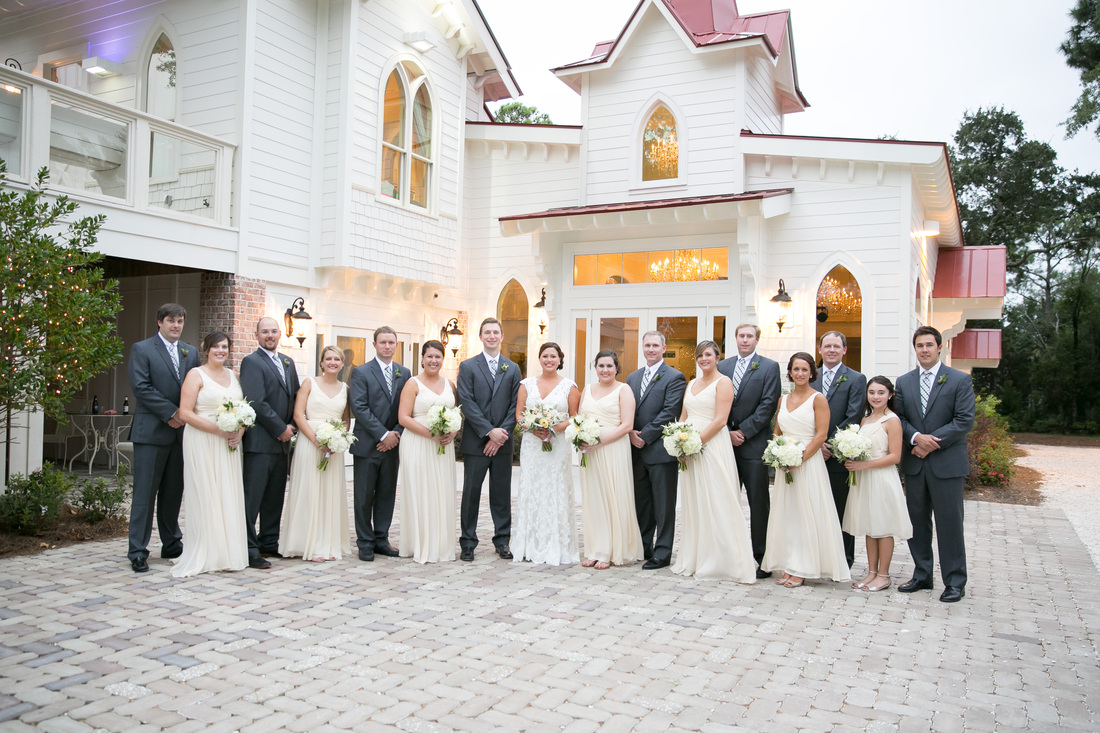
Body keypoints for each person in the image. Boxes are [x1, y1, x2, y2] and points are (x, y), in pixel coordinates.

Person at [895, 326, 975, 603]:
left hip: (947, 464)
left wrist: (931, 442)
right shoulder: (904, 382)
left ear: (940, 348)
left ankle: (955, 581)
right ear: (914, 348)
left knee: (950, 524)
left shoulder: (958, 380)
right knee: (917, 523)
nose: (925, 350)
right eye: (919, 345)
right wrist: (916, 437)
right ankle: (922, 575)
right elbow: (900, 419)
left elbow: (964, 420)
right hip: (915, 463)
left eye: (929, 345)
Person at [761, 352, 850, 588]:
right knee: (787, 515)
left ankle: (803, 567)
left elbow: (821, 434)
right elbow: (777, 431)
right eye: (795, 369)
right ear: (789, 372)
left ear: (812, 372)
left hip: (807, 464)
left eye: (804, 369)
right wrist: (777, 452)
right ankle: (789, 564)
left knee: (805, 514)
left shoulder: (818, 398)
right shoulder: (783, 400)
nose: (799, 374)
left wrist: (800, 458)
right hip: (785, 465)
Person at [671, 342, 756, 583]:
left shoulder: (724, 382)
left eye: (708, 354)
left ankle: (726, 559)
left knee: (718, 499)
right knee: (696, 500)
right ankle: (697, 556)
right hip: (690, 446)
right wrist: (679, 442)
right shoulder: (692, 383)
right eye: (699, 355)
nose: (703, 359)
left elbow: (720, 420)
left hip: (711, 446)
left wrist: (695, 443)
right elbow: (683, 416)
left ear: (718, 358)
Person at [126, 303, 200, 573]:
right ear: (160, 322)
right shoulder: (142, 349)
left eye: (180, 321)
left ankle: (171, 543)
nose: (176, 325)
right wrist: (171, 413)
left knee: (172, 493)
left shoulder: (190, 352)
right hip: (152, 432)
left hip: (181, 435)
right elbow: (141, 387)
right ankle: (137, 550)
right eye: (171, 320)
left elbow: (196, 387)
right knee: (145, 494)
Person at [171, 332, 249, 578]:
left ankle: (227, 553)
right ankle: (207, 551)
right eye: (215, 346)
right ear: (206, 349)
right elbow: (185, 413)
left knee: (227, 493)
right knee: (206, 493)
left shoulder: (235, 376)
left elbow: (245, 411)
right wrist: (218, 430)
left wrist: (240, 433)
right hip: (203, 440)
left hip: (230, 444)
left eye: (224, 346)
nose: (220, 350)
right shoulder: (196, 375)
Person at [717, 324, 781, 578]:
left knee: (758, 503)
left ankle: (761, 556)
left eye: (749, 337)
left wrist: (743, 431)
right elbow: (715, 402)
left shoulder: (769, 367)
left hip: (753, 445)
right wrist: (726, 432)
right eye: (741, 336)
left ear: (757, 340)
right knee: (726, 500)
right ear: (735, 339)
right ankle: (729, 553)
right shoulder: (723, 367)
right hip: (724, 444)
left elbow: (768, 404)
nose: (745, 340)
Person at [279, 346, 352, 562]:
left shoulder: (345, 388)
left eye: (337, 359)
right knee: (309, 490)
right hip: (310, 443)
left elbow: (346, 419)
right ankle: (306, 543)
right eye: (328, 358)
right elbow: (298, 415)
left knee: (329, 493)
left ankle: (327, 543)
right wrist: (317, 441)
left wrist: (339, 439)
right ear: (321, 363)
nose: (332, 362)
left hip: (333, 447)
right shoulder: (309, 383)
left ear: (341, 363)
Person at [457, 318, 521, 561]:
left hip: (502, 443)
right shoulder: (468, 366)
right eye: (487, 332)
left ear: (502, 336)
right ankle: (468, 542)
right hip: (476, 442)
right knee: (471, 493)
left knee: (501, 494)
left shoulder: (512, 368)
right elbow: (466, 402)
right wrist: (488, 432)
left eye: (496, 332)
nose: (492, 336)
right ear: (481, 336)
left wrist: (500, 435)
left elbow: (516, 404)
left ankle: (502, 540)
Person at [240, 317, 301, 570]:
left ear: (280, 335)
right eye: (265, 332)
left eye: (274, 331)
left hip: (282, 444)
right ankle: (249, 548)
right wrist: (280, 428)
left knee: (275, 496)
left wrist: (292, 426)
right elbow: (256, 401)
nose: (270, 335)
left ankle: (268, 542)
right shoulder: (251, 362)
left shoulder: (288, 362)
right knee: (252, 498)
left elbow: (296, 396)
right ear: (256, 335)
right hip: (260, 442)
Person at [512, 342, 581, 565]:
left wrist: (555, 429)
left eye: (553, 356)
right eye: (545, 356)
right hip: (532, 445)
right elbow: (519, 416)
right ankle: (529, 544)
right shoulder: (526, 384)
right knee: (532, 488)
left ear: (560, 360)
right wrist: (533, 428)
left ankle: (556, 545)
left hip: (557, 445)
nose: (549, 360)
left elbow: (574, 416)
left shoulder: (569, 386)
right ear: (539, 359)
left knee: (555, 489)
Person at [843, 376, 913, 592]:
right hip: (865, 479)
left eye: (881, 392)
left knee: (883, 527)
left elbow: (895, 456)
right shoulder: (865, 420)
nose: (875, 396)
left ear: (890, 395)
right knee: (870, 527)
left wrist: (864, 466)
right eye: (872, 392)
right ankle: (871, 572)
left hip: (881, 478)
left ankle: (884, 575)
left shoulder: (892, 420)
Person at [577, 350, 643, 570]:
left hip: (613, 448)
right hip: (589, 451)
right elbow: (579, 420)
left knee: (612, 496)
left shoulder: (624, 390)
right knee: (593, 498)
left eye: (609, 366)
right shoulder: (586, 389)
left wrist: (600, 441)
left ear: (617, 368)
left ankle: (610, 550)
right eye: (601, 366)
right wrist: (581, 439)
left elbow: (627, 425)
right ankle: (594, 549)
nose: (605, 370)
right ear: (595, 367)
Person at [348, 327, 410, 561]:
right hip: (367, 445)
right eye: (383, 342)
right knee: (364, 496)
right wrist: (383, 435)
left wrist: (395, 434)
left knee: (386, 493)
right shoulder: (361, 372)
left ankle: (381, 539)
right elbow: (359, 407)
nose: (387, 346)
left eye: (391, 342)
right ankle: (364, 542)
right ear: (374, 345)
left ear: (396, 345)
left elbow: (407, 409)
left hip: (393, 445)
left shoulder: (404, 373)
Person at [626, 331, 686, 570]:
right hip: (635, 449)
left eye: (655, 345)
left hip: (660, 451)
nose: (650, 349)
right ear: (642, 348)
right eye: (647, 345)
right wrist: (630, 433)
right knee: (642, 503)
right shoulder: (633, 377)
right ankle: (644, 546)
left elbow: (670, 411)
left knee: (663, 505)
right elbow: (628, 408)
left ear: (663, 348)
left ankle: (662, 552)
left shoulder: (674, 377)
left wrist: (646, 436)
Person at [809, 331, 867, 569]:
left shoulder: (856, 378)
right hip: (811, 454)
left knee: (840, 510)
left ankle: (843, 561)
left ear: (844, 350)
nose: (831, 350)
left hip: (837, 456)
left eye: (836, 346)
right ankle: (816, 557)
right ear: (820, 350)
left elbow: (853, 415)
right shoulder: (811, 376)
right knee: (813, 508)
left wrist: (829, 445)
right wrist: (813, 444)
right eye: (827, 346)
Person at [397, 341, 459, 563]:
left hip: (443, 445)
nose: (434, 361)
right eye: (429, 356)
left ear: (443, 359)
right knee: (421, 490)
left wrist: (453, 431)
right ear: (422, 358)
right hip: (418, 442)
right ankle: (420, 543)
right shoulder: (412, 384)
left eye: (438, 357)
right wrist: (430, 434)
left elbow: (457, 413)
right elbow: (403, 417)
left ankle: (441, 544)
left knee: (441, 491)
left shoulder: (450, 384)